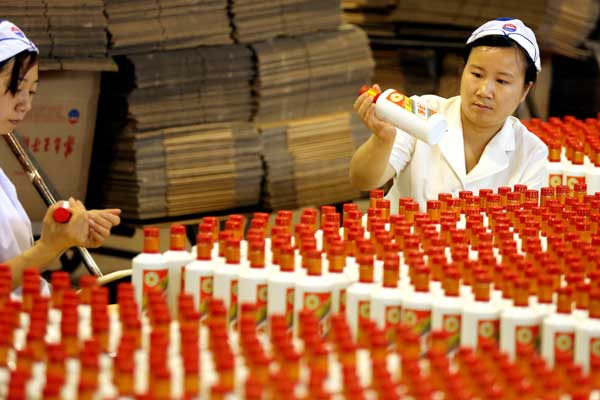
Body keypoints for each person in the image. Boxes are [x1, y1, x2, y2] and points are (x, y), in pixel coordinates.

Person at [350, 18, 548, 213]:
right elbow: (363, 180)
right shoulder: (420, 112)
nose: (484, 90)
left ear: (524, 90)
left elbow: (520, 229)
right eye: (477, 75)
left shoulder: (531, 153)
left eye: (502, 81)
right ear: (462, 71)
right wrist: (382, 139)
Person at [0, 20, 121, 291]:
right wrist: (48, 247)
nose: (26, 105)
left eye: (32, 92)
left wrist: (64, 233)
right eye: (17, 88)